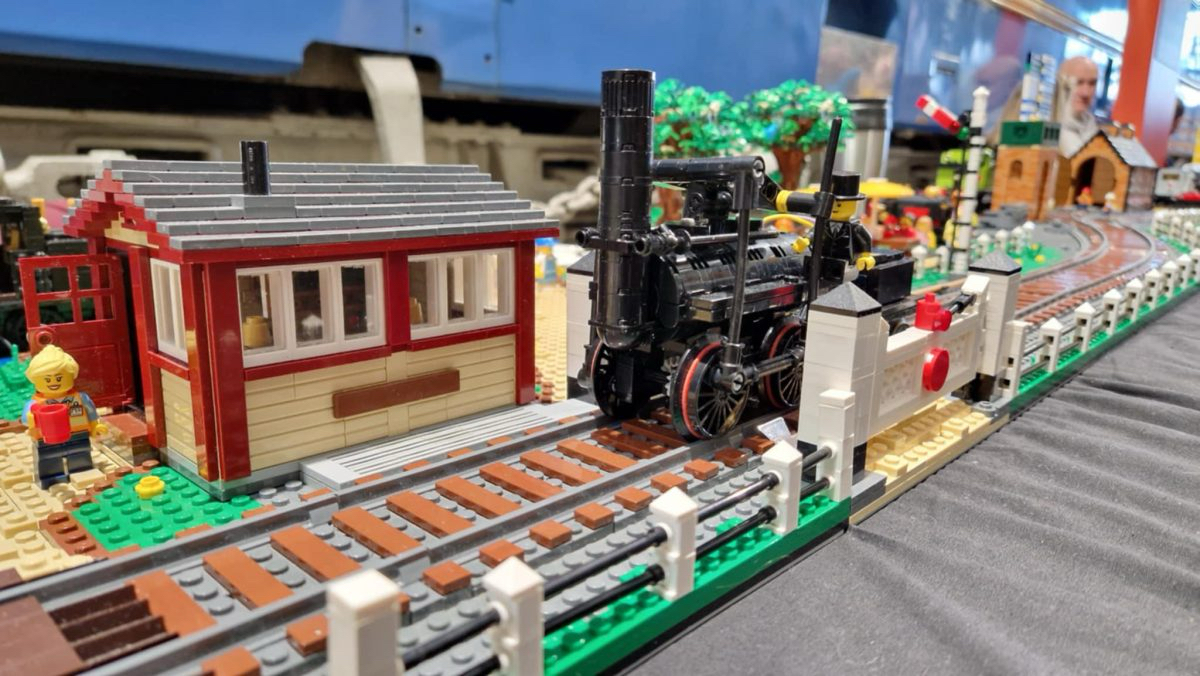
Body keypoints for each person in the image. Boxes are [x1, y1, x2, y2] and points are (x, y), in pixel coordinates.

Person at [21, 345, 106, 488]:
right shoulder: (35, 404)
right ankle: (51, 479)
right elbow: (25, 419)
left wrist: (95, 426)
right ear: (35, 380)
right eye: (47, 380)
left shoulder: (80, 398)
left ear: (71, 376)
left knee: (80, 454)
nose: (54, 383)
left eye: (59, 378)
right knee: (49, 458)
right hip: (47, 438)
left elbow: (91, 413)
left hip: (77, 434)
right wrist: (31, 418)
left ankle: (82, 473)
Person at [791, 171, 875, 278]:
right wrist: (806, 240)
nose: (834, 207)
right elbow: (815, 232)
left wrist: (866, 256)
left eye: (839, 204)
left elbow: (865, 240)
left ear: (854, 204)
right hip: (822, 259)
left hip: (845, 264)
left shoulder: (855, 227)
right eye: (831, 204)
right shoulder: (823, 223)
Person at [1057, 56, 1100, 156]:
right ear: (1063, 84)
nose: (1085, 93)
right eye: (1079, 82)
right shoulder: (1051, 124)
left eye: (1092, 83)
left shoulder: (1091, 126)